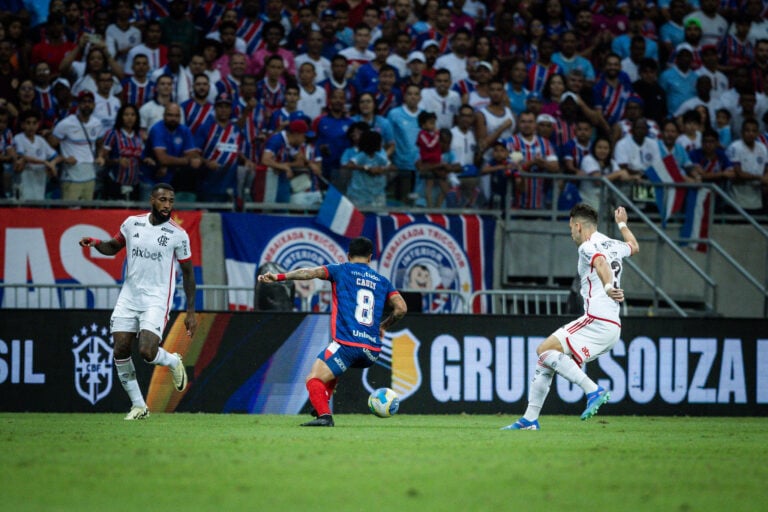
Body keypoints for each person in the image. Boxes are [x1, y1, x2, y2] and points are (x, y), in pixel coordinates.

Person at [502, 204, 639, 430]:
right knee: (546, 359)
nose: (570, 233)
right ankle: (529, 420)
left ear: (577, 226)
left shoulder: (587, 246)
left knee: (544, 350)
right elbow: (634, 246)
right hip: (612, 326)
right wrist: (622, 224)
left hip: (597, 319)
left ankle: (593, 390)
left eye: (570, 228)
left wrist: (606, 287)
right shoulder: (613, 244)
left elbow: (601, 263)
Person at [258, 236, 407, 427]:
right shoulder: (383, 281)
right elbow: (401, 308)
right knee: (331, 370)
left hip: (347, 345)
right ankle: (322, 402)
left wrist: (279, 277)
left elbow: (309, 273)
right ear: (370, 258)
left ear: (348, 255)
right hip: (371, 351)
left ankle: (324, 416)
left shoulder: (340, 270)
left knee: (313, 378)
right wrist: (384, 326)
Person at [78, 183, 197, 420]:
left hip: (156, 299)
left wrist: (190, 312)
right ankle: (139, 406)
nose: (167, 205)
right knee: (121, 347)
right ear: (152, 200)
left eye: (171, 201)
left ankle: (173, 361)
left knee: (146, 350)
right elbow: (113, 247)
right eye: (163, 200)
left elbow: (188, 273)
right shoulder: (132, 223)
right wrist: (95, 242)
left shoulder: (178, 234)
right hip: (129, 296)